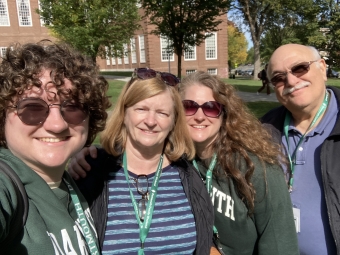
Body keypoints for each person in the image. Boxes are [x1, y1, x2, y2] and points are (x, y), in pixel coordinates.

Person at [70, 71, 299, 255]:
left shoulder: (254, 169)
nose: (200, 116)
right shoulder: (96, 171)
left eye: (211, 107)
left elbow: (280, 243)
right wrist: (93, 155)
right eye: (190, 106)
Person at [69, 68, 214, 254]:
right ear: (124, 114)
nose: (151, 121)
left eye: (162, 113)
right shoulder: (92, 173)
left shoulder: (189, 176)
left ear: (173, 121)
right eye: (141, 109)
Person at [0, 41, 111, 254]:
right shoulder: (6, 185)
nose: (57, 124)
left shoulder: (71, 185)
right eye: (32, 107)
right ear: (3, 115)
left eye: (73, 108)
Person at [261, 44, 340, 255]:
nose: (291, 81)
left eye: (299, 68)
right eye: (278, 77)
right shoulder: (264, 131)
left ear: (322, 68)